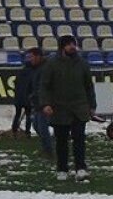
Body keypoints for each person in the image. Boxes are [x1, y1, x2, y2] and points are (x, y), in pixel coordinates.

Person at [39, 34, 97, 181]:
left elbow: (89, 87)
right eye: (69, 44)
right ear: (62, 47)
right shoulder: (52, 64)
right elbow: (44, 86)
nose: (72, 47)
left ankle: (81, 168)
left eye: (73, 44)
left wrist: (91, 106)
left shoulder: (82, 63)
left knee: (79, 139)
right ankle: (62, 169)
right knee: (61, 141)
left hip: (79, 107)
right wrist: (46, 104)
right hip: (59, 108)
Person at [13, 47, 42, 138]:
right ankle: (27, 132)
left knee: (18, 114)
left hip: (19, 97)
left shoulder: (22, 71)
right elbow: (33, 85)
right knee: (29, 114)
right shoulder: (34, 72)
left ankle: (14, 129)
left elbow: (16, 83)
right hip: (28, 97)